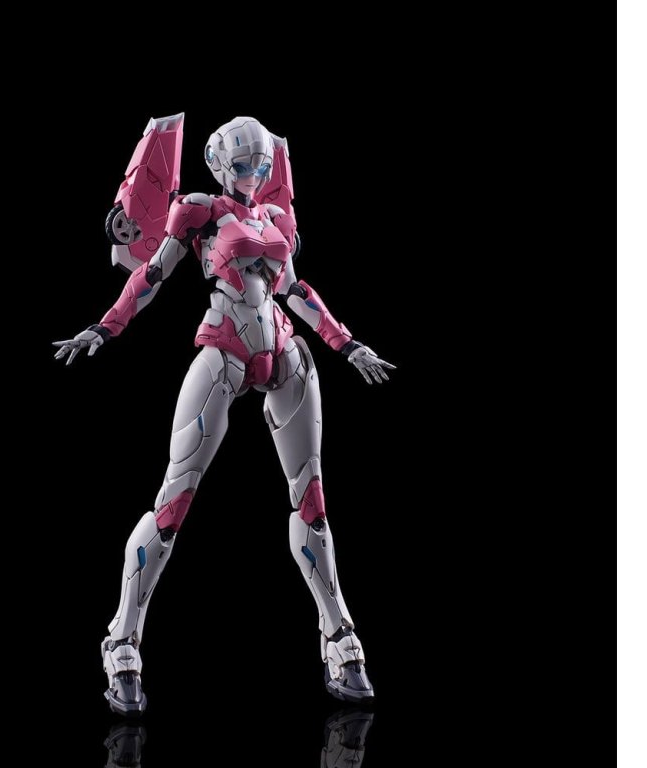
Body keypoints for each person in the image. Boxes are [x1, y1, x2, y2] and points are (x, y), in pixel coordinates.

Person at [53, 115, 395, 714]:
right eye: (242, 164)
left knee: (312, 501)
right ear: (218, 165)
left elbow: (295, 290)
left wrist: (347, 344)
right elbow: (150, 277)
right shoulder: (199, 212)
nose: (253, 173)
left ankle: (339, 635)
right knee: (173, 502)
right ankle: (122, 640)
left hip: (284, 353)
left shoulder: (274, 217)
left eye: (261, 163)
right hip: (225, 353)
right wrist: (103, 328)